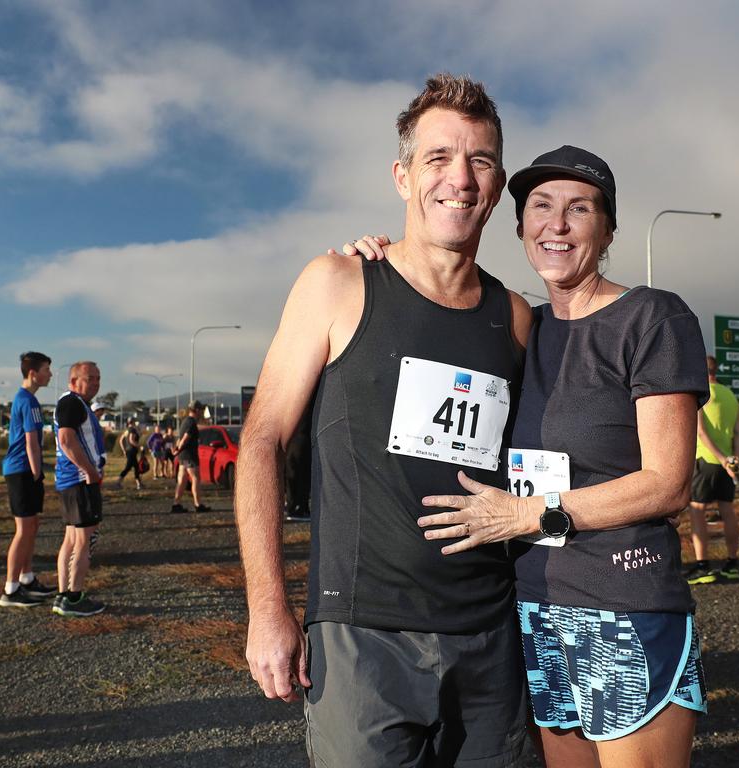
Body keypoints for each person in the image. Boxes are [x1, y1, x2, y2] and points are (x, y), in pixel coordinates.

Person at [345, 141, 710, 764]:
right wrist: (381, 263)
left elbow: (669, 482)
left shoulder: (651, 317)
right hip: (537, 608)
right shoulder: (524, 328)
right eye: (540, 206)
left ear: (609, 227)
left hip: (622, 605)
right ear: (519, 228)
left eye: (580, 208)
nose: (557, 224)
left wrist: (528, 515)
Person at [238, 75, 533, 766]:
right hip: (363, 642)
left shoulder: (515, 318)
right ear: (402, 177)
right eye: (438, 158)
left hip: (490, 641)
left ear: (497, 184)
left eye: (480, 161)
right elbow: (262, 440)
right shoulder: (338, 283)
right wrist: (268, 609)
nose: (459, 178)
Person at [0, 352, 58, 609]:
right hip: (21, 470)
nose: (50, 374)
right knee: (23, 529)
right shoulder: (29, 402)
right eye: (47, 369)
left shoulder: (24, 399)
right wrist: (37, 472)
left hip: (22, 470)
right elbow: (31, 441)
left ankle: (27, 578)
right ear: (33, 373)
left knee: (32, 525)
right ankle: (10, 590)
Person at [52, 361, 106, 617]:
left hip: (71, 481)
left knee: (72, 539)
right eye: (89, 378)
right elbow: (65, 439)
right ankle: (74, 596)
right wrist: (90, 471)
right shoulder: (72, 403)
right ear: (73, 382)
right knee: (82, 541)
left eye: (97, 378)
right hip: (79, 482)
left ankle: (64, 594)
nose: (95, 383)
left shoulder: (76, 404)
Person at [686, 357, 739, 584]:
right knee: (727, 510)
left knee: (697, 511)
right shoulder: (730, 395)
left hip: (706, 460)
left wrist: (719, 458)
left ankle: (703, 567)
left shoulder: (701, 392)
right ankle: (732, 563)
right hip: (726, 464)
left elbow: (700, 431)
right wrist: (733, 460)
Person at [171, 403, 209, 514]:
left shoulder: (185, 421)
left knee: (182, 480)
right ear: (196, 410)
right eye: (201, 410)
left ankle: (176, 504)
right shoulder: (191, 423)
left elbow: (180, 438)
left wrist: (177, 450)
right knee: (196, 478)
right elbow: (185, 438)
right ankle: (198, 505)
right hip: (189, 455)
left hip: (182, 456)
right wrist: (178, 448)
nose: (202, 412)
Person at [116, 419, 143, 490]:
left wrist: (123, 450)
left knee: (136, 467)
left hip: (128, 451)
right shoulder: (132, 430)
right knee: (128, 467)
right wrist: (139, 446)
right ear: (133, 422)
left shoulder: (127, 430)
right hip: (132, 450)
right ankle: (118, 481)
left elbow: (121, 440)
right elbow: (131, 440)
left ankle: (139, 483)